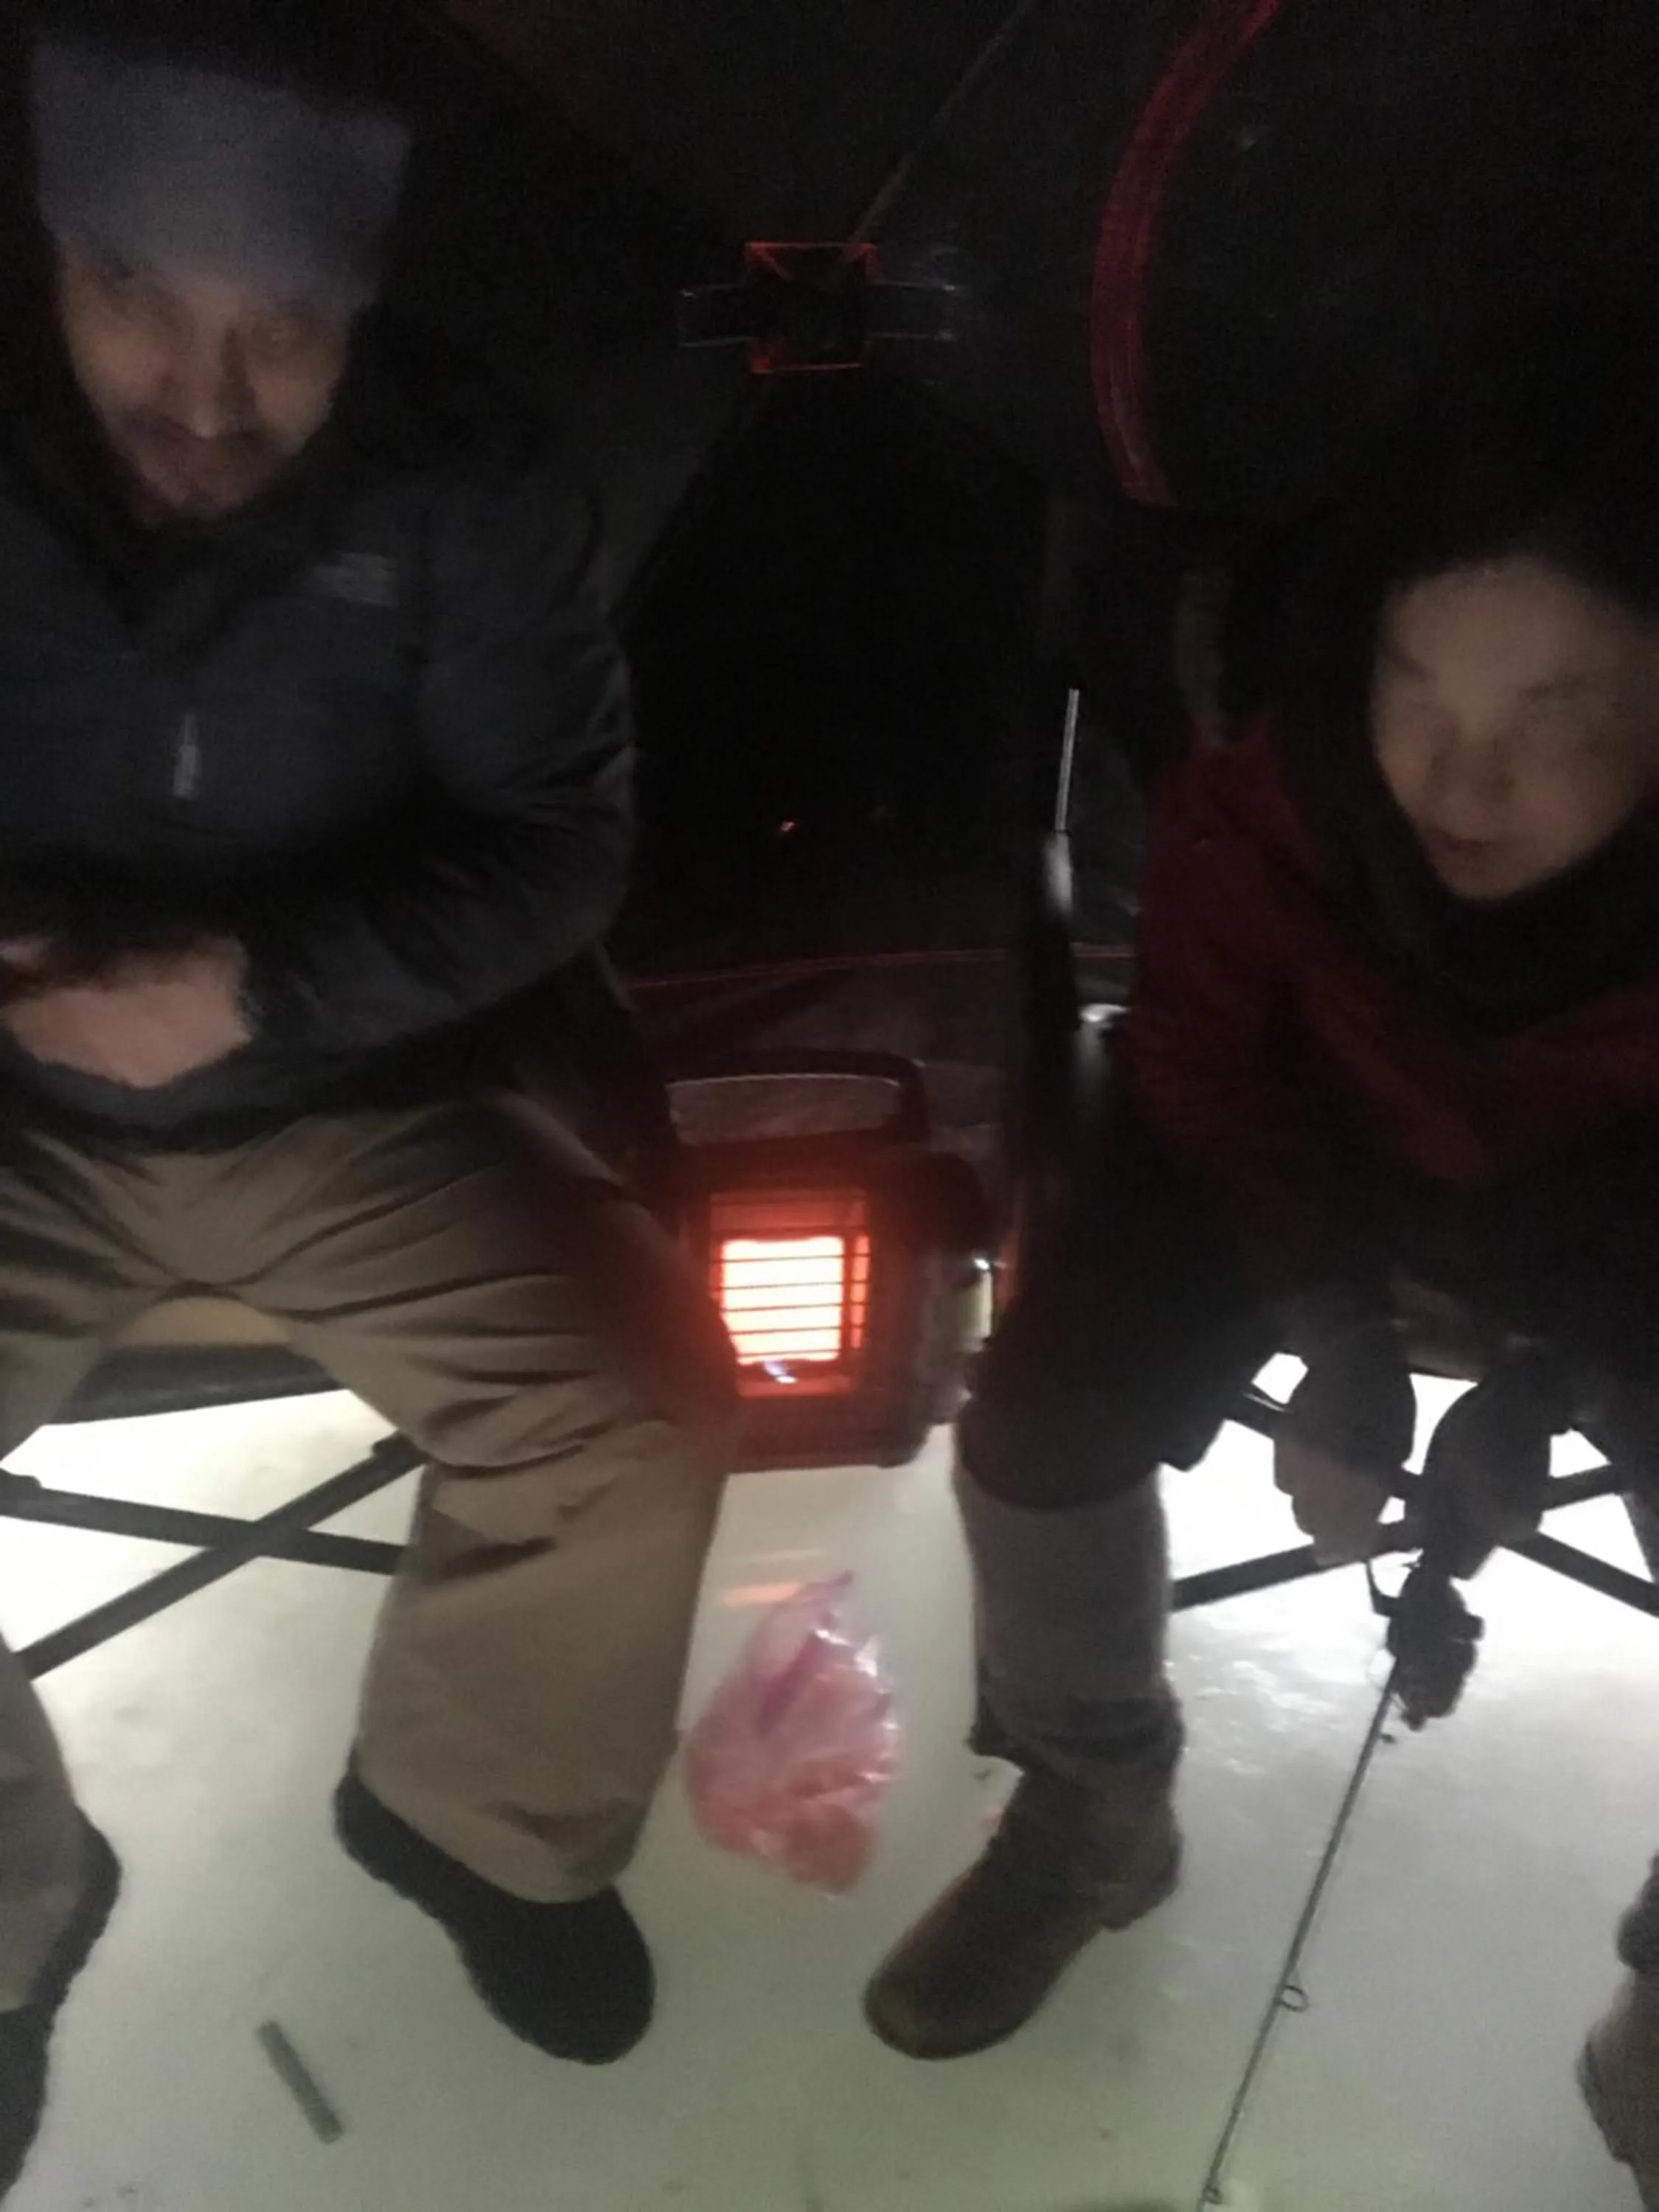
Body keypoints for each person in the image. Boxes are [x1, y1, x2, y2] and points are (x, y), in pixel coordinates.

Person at [0, 3, 731, 2188]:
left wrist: (263, 982)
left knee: (642, 1411)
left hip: (350, 1094)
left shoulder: (473, 486)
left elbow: (561, 844)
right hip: (15, 1104)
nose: (206, 400)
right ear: (50, 245)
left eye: (281, 330)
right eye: (140, 297)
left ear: (366, 303)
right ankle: (15, 1919)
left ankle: (470, 1819)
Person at [863, 332, 1659, 2200]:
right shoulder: (1272, 803)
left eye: (1563, 714)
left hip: (1614, 1236)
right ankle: (1094, 1796)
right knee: (1039, 1412)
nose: (1463, 776)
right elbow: (1203, 1066)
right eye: (1413, 689)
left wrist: (1544, 1369)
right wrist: (1335, 1335)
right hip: (1308, 1172)